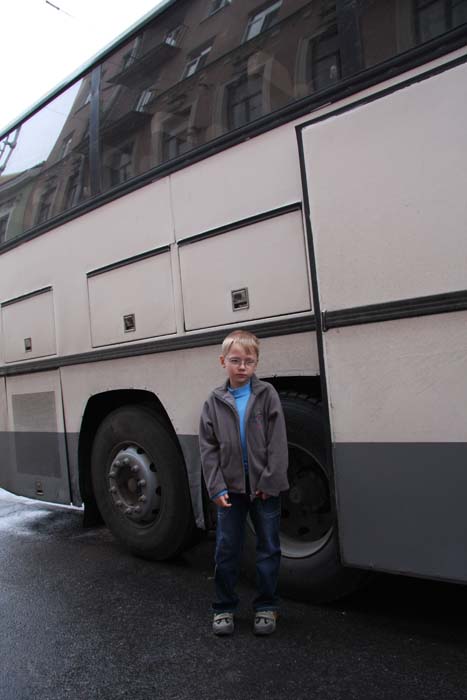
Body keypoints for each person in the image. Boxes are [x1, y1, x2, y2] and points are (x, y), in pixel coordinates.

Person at [199, 330, 289, 636]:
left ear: (256, 363)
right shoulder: (214, 401)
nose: (242, 366)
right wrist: (216, 487)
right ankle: (223, 607)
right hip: (230, 491)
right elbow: (208, 448)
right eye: (235, 360)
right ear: (223, 361)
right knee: (226, 550)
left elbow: (277, 443)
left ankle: (266, 605)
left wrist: (270, 481)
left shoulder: (266, 395)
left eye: (248, 361)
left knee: (268, 548)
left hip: (264, 489)